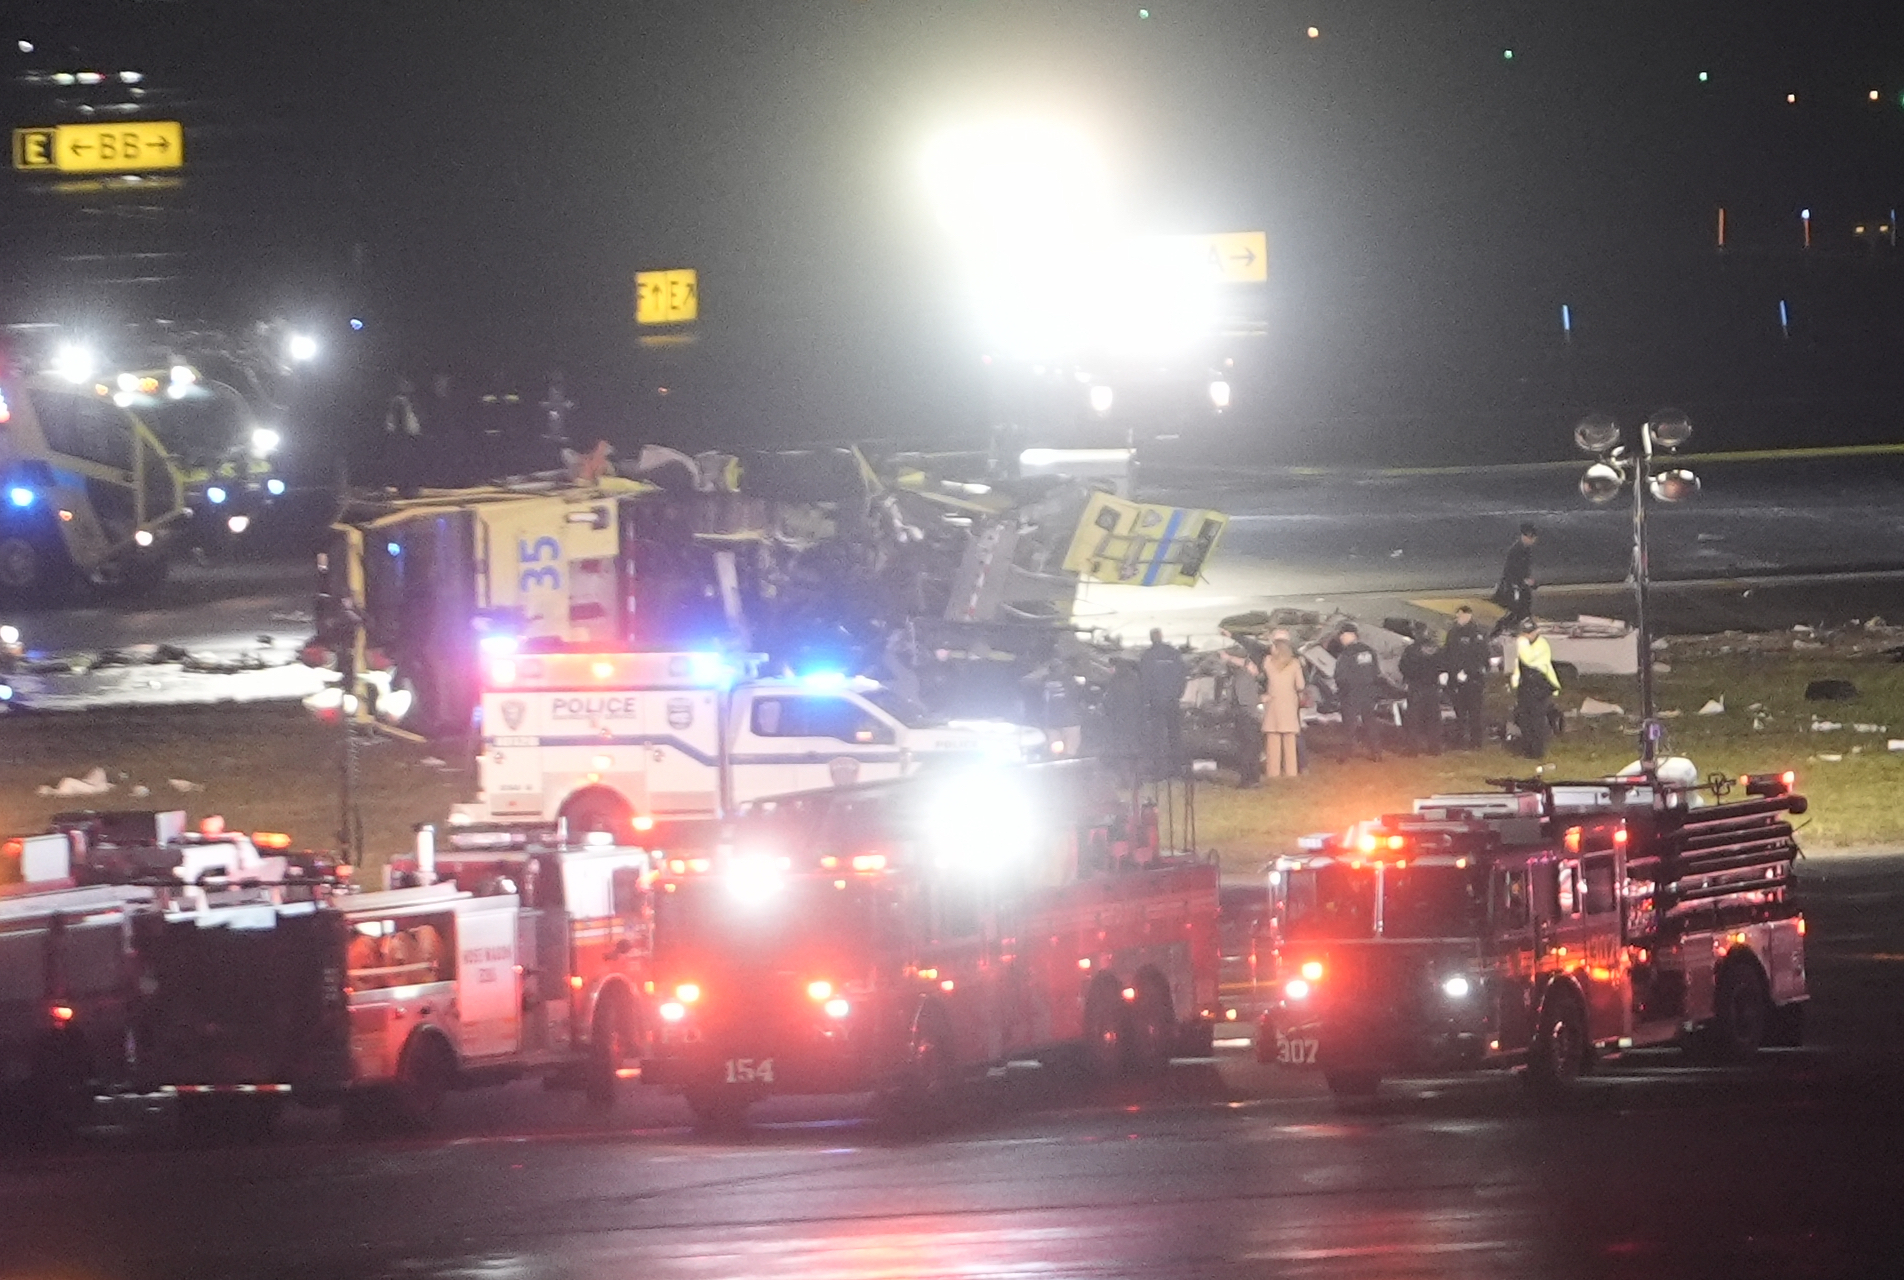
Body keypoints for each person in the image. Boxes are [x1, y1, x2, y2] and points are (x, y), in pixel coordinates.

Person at [1137, 629, 1189, 776]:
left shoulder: (1148, 656)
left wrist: (1146, 700)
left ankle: (1159, 769)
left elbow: (1144, 680)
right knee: (1175, 735)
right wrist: (1178, 694)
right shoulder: (1173, 653)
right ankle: (1176, 767)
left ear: (1151, 638)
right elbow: (1183, 675)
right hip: (1172, 700)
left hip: (1156, 702)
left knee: (1157, 735)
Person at [1510, 617, 1561, 758]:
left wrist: (1522, 643)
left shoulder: (1541, 645)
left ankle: (1537, 752)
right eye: (1524, 633)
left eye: (1528, 633)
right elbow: (1519, 666)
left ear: (1536, 631)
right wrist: (1515, 683)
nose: (1525, 636)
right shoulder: (1525, 644)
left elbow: (1528, 659)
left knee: (1536, 720)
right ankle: (1528, 750)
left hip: (1539, 686)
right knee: (1524, 719)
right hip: (1526, 686)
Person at [1332, 623, 1383, 761]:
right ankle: (1376, 752)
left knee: (1349, 724)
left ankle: (1346, 754)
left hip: (1351, 693)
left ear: (1350, 635)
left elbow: (1340, 676)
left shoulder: (1347, 653)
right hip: (1368, 691)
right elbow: (1376, 671)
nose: (1341, 639)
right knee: (1370, 722)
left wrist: (1341, 690)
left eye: (1342, 636)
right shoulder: (1369, 650)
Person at [1444, 604, 1492, 749]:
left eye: (1460, 615)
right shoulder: (1453, 632)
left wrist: (1468, 672)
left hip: (1473, 679)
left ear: (1468, 615)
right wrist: (1449, 672)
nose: (1458, 618)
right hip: (1456, 679)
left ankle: (1476, 742)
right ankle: (1459, 740)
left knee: (1474, 712)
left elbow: (1481, 656)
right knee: (1459, 711)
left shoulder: (1477, 633)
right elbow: (1449, 654)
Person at [1260, 634, 1306, 778]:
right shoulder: (1295, 663)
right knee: (1289, 739)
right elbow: (1300, 685)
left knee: (1272, 738)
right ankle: (1291, 771)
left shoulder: (1268, 662)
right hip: (1289, 703)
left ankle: (1272, 771)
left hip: (1273, 702)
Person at [1398, 623, 1446, 756]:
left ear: (1415, 632)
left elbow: (1403, 666)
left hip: (1416, 687)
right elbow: (1443, 665)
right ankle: (1435, 748)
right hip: (1433, 687)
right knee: (1434, 718)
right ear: (1426, 631)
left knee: (1413, 719)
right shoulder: (1436, 648)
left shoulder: (1411, 649)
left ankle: (1412, 749)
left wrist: (1411, 677)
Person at [1492, 524, 1539, 634]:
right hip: (1515, 587)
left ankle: (1510, 630)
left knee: (1521, 611)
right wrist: (1524, 581)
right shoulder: (1517, 551)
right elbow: (1511, 572)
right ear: (1526, 537)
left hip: (1520, 586)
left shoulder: (1524, 550)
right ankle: (1501, 630)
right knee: (1518, 611)